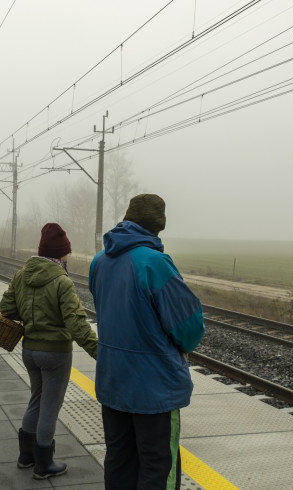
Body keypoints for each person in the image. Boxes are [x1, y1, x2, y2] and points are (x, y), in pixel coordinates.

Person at [88, 194, 205, 490]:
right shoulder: (154, 264)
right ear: (157, 227)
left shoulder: (100, 262)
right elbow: (189, 328)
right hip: (154, 390)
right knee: (157, 466)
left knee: (119, 461)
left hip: (113, 381)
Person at [0, 222, 98, 480]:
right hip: (55, 354)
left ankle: (25, 456)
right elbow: (76, 324)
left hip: (29, 350)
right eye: (67, 252)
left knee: (36, 399)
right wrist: (100, 352)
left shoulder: (22, 275)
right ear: (60, 254)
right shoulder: (61, 281)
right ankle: (44, 464)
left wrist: (31, 314)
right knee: (50, 407)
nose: (68, 257)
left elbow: (7, 308)